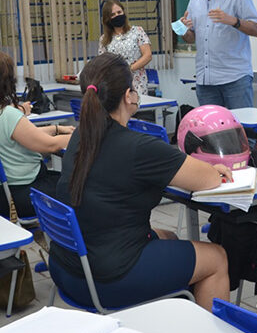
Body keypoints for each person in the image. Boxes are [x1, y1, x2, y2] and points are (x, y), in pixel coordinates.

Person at [51, 53, 232, 310]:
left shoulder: (82, 135)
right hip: (107, 279)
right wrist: (216, 169)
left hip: (68, 269)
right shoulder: (138, 147)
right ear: (128, 95)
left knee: (168, 236)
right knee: (216, 258)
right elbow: (208, 179)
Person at [0, 51, 74, 220]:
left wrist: (56, 129)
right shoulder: (6, 114)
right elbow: (49, 145)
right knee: (81, 189)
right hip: (23, 195)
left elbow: (19, 136)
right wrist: (84, 134)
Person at [179, 0, 257, 109]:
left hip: (234, 78)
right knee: (213, 132)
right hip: (205, 81)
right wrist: (184, 30)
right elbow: (191, 39)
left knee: (242, 130)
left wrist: (233, 21)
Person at [98, 0, 152, 95]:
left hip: (137, 83)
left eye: (119, 12)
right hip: (115, 84)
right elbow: (103, 63)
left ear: (124, 12)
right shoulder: (104, 39)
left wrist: (128, 69)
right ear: (108, 19)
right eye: (113, 14)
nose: (117, 16)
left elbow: (147, 55)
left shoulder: (137, 31)